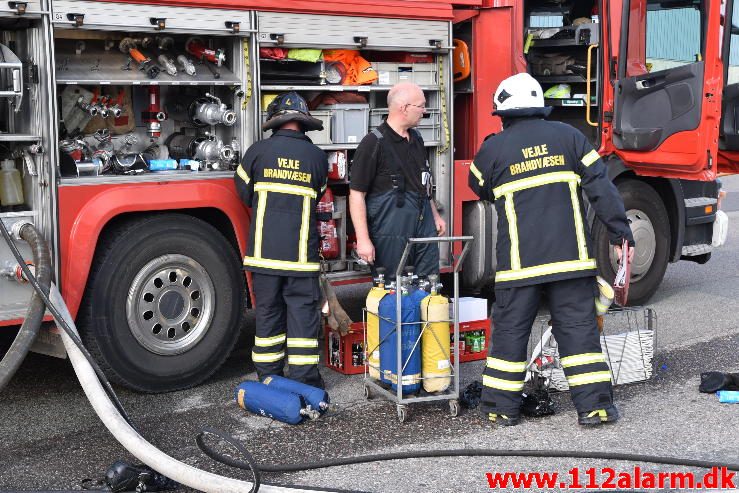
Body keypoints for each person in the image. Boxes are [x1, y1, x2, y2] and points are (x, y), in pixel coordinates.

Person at [469, 73, 635, 426]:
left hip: (519, 266)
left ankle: (501, 409)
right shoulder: (571, 138)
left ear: (503, 112)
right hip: (570, 262)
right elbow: (602, 190)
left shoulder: (493, 149)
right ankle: (595, 408)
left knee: (510, 336)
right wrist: (622, 235)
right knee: (579, 333)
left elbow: (478, 187)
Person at [234, 91, 328, 388]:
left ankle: (269, 377)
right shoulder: (317, 157)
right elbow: (319, 195)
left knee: (268, 314)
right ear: (302, 123)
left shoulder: (257, 152)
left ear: (276, 121)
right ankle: (304, 379)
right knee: (302, 315)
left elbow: (244, 193)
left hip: (264, 256)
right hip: (301, 259)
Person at [349, 81, 446, 279]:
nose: (424, 111)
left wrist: (434, 215)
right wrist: (363, 239)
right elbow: (356, 195)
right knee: (393, 288)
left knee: (428, 283)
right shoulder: (373, 143)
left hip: (423, 223)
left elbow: (423, 182)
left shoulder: (416, 139)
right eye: (421, 106)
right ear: (403, 108)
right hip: (390, 231)